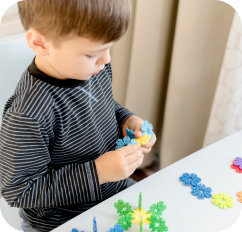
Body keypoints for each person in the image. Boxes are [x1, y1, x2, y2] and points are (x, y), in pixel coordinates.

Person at [0, 0, 156, 231]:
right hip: (62, 219)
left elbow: (101, 105)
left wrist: (126, 119)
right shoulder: (28, 114)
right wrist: (99, 172)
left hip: (114, 192)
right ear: (40, 43)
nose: (107, 60)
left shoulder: (92, 69)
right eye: (93, 53)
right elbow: (20, 191)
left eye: (109, 48)